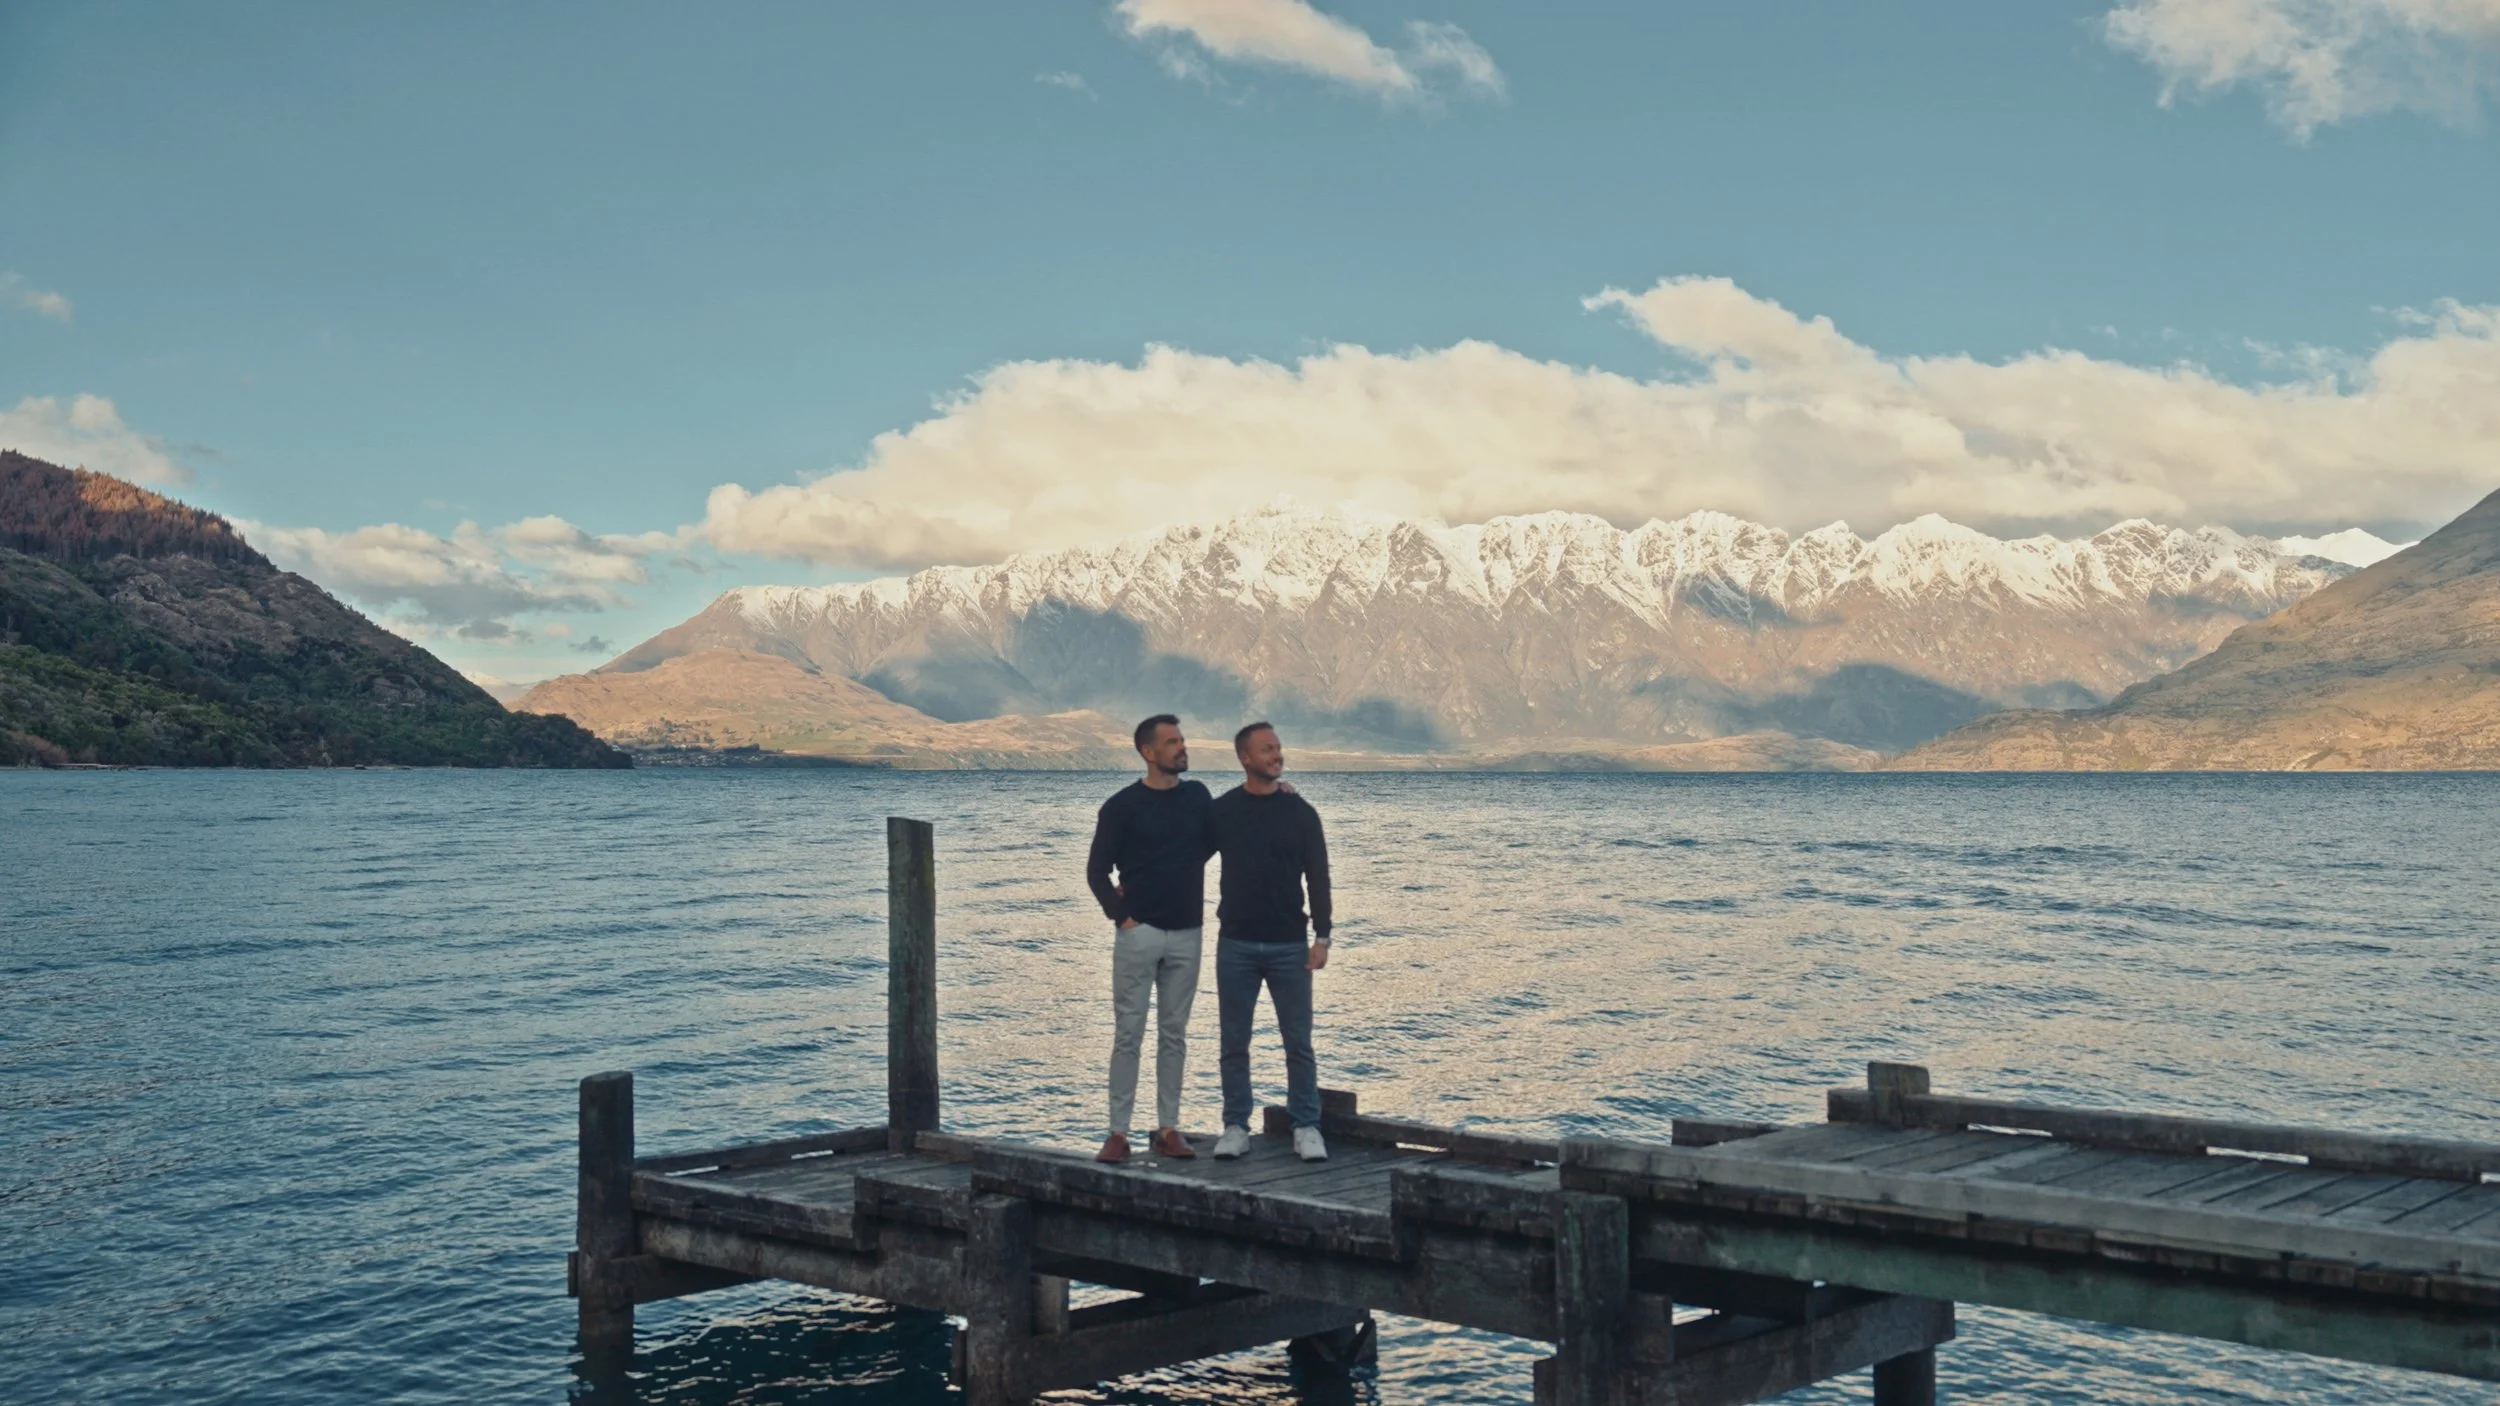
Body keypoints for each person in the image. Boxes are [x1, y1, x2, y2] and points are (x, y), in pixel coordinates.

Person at [1084, 714, 1210, 1164]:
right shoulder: (1121, 807)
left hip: (1188, 932)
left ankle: (1168, 1128)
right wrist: (1121, 917)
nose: (1182, 747)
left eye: (1182, 739)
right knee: (1128, 1034)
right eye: (1172, 742)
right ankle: (1118, 1133)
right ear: (1148, 751)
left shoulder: (1198, 797)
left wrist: (1280, 795)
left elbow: (1226, 832)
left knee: (1174, 1034)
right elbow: (1096, 871)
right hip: (1140, 934)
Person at [1206, 721, 1334, 1162]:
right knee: (1233, 1042)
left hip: (1289, 946)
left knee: (1298, 1041)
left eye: (1278, 747)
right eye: (1267, 750)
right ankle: (1236, 1127)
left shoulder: (1300, 813)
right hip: (1236, 944)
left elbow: (1318, 876)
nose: (1277, 755)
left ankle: (1306, 1126)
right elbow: (1183, 856)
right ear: (1245, 758)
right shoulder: (1223, 811)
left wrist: (1323, 937)